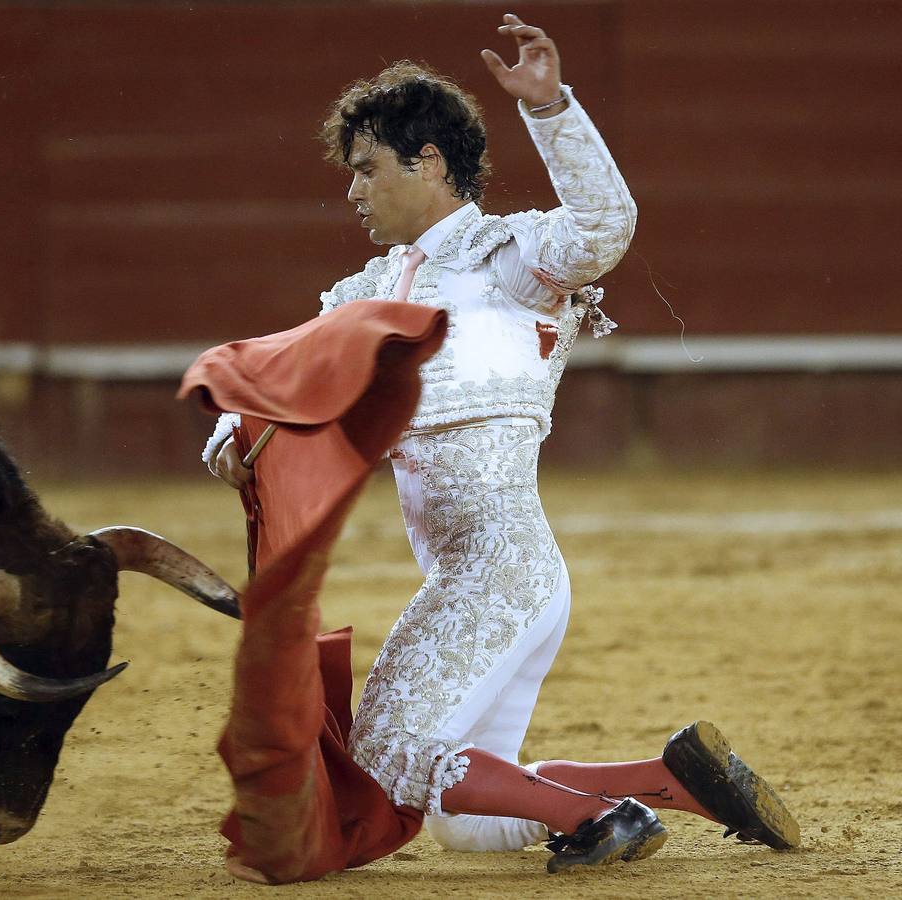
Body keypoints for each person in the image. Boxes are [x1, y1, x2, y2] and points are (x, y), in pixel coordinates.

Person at [202, 13, 799, 872]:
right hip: (480, 573)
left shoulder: (506, 261)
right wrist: (231, 430)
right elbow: (279, 378)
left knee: (390, 753)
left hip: (501, 565)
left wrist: (552, 108)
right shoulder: (365, 292)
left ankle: (600, 821)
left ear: (430, 163)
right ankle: (670, 781)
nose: (353, 192)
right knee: (468, 825)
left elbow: (604, 225)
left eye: (368, 169)